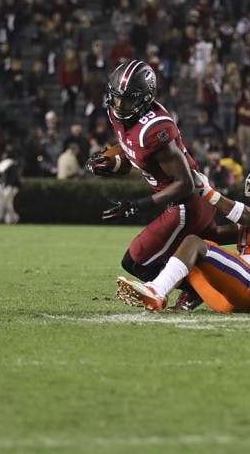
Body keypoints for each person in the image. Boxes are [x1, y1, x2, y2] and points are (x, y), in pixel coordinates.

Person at [86, 60, 218, 310]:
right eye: (116, 98)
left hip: (188, 203)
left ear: (144, 99)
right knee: (142, 259)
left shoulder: (154, 129)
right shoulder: (119, 116)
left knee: (136, 261)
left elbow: (185, 184)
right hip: (177, 202)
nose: (118, 105)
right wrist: (114, 162)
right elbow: (136, 156)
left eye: (126, 100)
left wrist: (138, 206)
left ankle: (193, 291)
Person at [115, 157, 250, 314]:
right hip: (228, 300)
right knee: (188, 249)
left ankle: (157, 291)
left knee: (193, 244)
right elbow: (214, 235)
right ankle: (187, 299)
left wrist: (210, 194)